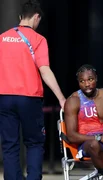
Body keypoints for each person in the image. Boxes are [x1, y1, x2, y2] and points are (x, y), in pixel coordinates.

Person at [0, 0, 66, 179]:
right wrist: (61, 98)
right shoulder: (38, 39)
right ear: (36, 17)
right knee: (35, 142)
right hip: (29, 97)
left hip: (4, 97)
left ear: (20, 17)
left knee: (9, 144)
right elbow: (44, 70)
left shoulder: (2, 37)